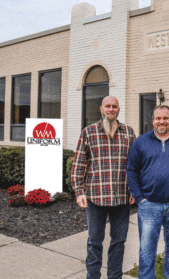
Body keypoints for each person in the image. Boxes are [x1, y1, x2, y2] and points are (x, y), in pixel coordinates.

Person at [126, 105, 169, 279]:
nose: (161, 121)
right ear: (153, 121)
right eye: (158, 118)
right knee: (146, 251)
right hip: (149, 205)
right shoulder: (141, 142)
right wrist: (139, 198)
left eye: (165, 118)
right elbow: (131, 171)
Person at [71, 96, 136, 279]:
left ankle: (114, 276)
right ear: (101, 108)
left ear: (119, 109)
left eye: (114, 106)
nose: (111, 109)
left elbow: (135, 165)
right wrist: (79, 192)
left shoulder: (129, 133)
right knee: (94, 242)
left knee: (119, 242)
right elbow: (79, 164)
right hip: (95, 198)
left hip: (122, 198)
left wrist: (134, 190)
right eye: (108, 106)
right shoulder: (89, 132)